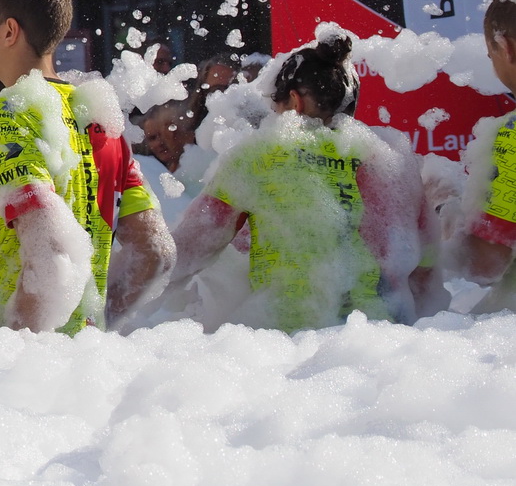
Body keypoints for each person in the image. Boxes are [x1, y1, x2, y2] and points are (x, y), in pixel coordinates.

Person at [164, 30, 427, 331]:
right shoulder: (392, 159)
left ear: (294, 101)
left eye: (274, 108)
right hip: (389, 332)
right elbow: (425, 272)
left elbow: (190, 248)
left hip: (296, 337)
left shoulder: (260, 155)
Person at [0, 0, 173, 332]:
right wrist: (92, 319)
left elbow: (49, 252)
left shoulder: (8, 115)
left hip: (22, 364)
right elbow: (156, 251)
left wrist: (16, 352)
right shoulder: (100, 119)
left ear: (9, 31)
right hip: (84, 358)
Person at [447, 0, 516, 301]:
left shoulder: (511, 135)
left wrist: (443, 211)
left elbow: (485, 264)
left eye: (492, 56)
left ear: (506, 46)